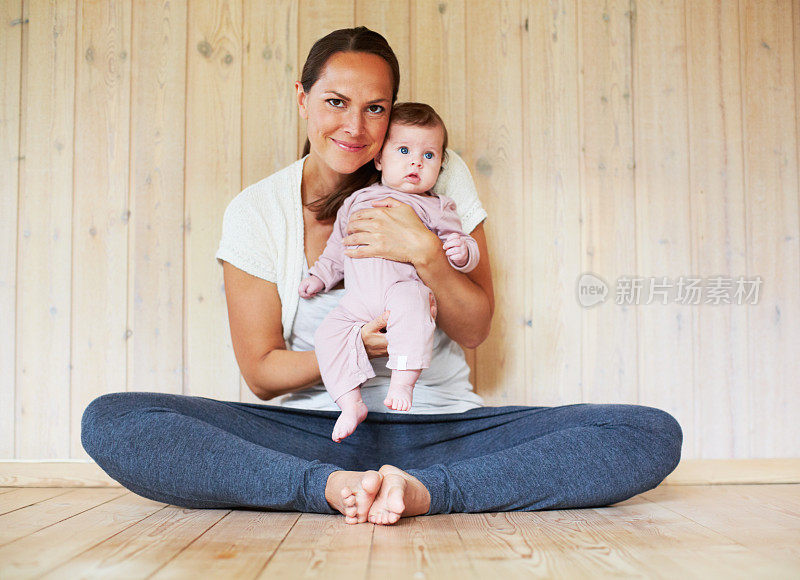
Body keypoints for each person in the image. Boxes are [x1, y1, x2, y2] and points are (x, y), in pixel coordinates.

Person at [81, 26, 682, 527]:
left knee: (646, 433)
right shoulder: (256, 211)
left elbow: (473, 331)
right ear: (303, 99)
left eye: (376, 108)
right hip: (315, 430)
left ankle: (423, 491)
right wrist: (352, 350)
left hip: (445, 428)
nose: (356, 127)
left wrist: (425, 251)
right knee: (115, 419)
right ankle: (328, 486)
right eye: (336, 102)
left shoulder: (435, 174)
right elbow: (263, 376)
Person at [300, 102, 480, 442]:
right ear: (379, 159)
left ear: (440, 165)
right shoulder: (355, 201)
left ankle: (403, 381)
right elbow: (338, 248)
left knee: (414, 306)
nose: (416, 161)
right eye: (404, 150)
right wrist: (320, 276)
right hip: (357, 303)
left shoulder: (437, 206)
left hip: (402, 290)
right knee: (328, 335)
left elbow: (460, 243)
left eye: (429, 155)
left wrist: (463, 252)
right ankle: (349, 401)